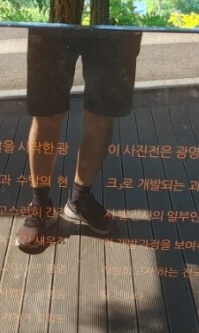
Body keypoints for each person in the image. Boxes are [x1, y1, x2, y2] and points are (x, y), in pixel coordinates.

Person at [15, 27, 142, 250]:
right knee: (46, 114)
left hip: (113, 18)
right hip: (56, 14)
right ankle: (40, 203)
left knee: (102, 115)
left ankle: (79, 199)